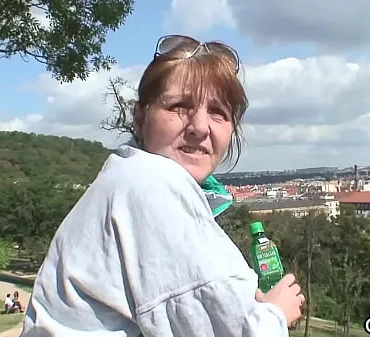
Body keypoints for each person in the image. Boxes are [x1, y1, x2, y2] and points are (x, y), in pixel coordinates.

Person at [20, 34, 305, 337]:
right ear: (140, 118)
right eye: (179, 106)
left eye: (218, 112)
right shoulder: (151, 183)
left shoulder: (127, 176)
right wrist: (276, 313)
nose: (199, 127)